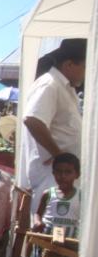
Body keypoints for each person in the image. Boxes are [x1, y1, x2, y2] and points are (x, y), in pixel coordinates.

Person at [20, 38, 86, 214]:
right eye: (85, 67)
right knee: (49, 236)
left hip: (62, 179)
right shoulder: (50, 84)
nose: (86, 73)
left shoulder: (66, 88)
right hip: (52, 177)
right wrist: (59, 155)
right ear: (70, 64)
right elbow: (33, 120)